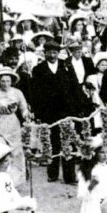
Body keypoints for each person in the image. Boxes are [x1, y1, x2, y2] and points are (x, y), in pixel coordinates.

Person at [30, 39, 77, 184]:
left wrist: (76, 110)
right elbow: (34, 94)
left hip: (66, 111)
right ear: (44, 53)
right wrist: (38, 113)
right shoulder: (38, 70)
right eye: (49, 52)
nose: (52, 55)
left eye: (55, 52)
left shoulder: (66, 66)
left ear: (58, 53)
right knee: (51, 142)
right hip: (48, 112)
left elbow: (75, 87)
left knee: (68, 142)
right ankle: (52, 173)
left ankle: (69, 175)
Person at [0, 66, 30, 186]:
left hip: (13, 124)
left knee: (16, 152)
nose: (5, 84)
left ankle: (15, 181)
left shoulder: (17, 93)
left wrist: (26, 115)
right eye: (3, 81)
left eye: (8, 81)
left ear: (12, 81)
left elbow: (24, 108)